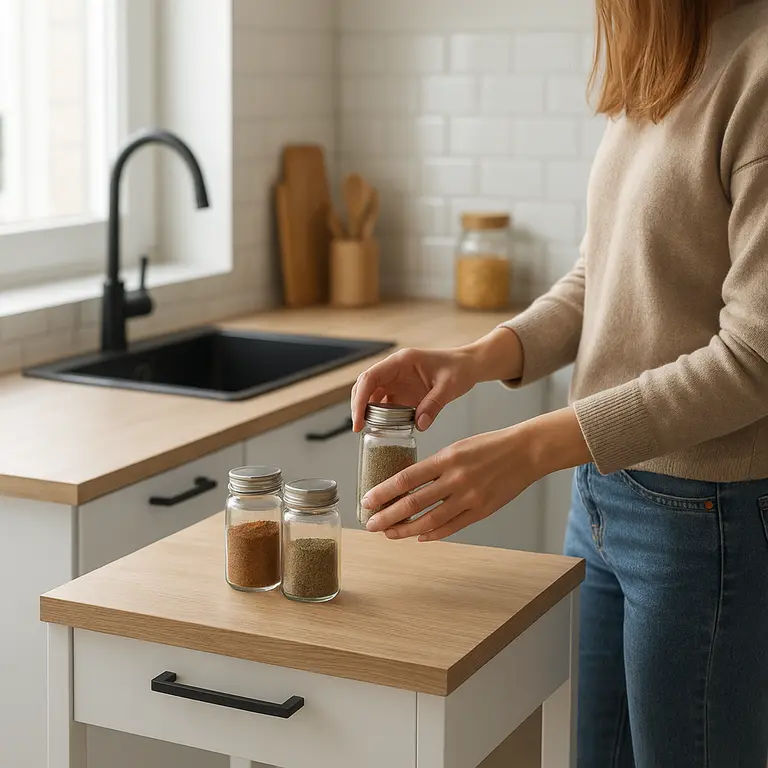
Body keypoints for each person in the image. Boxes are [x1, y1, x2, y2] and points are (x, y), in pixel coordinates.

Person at [350, 1, 768, 765]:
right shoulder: (669, 59)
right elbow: (598, 278)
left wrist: (532, 448)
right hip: (602, 496)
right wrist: (476, 357)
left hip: (701, 519)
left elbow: (754, 359)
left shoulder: (758, 68)